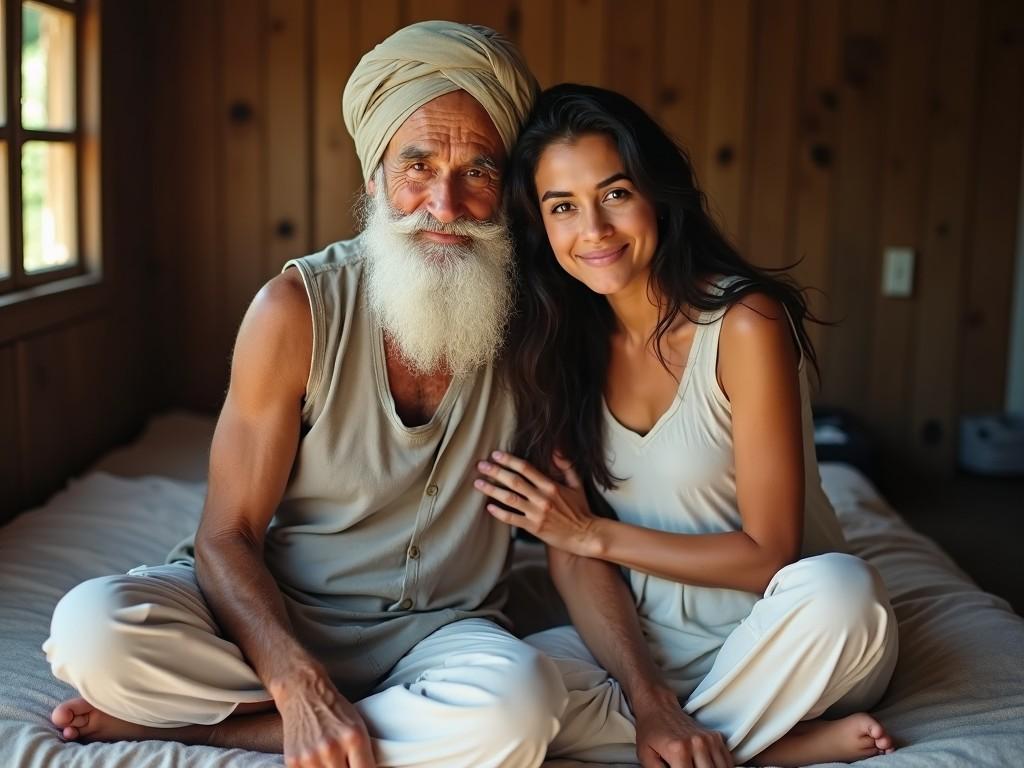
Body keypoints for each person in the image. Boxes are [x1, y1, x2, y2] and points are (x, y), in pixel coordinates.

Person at [43, 21, 567, 768]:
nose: (444, 205)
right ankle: (343, 717)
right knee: (92, 629)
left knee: (524, 707)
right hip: (271, 618)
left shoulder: (541, 323)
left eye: (477, 172)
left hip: (440, 635)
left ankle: (214, 729)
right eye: (416, 164)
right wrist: (294, 678)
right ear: (374, 177)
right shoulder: (295, 311)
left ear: (507, 189)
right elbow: (226, 537)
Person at [473, 84, 900, 768]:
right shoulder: (557, 349)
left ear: (657, 194)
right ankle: (752, 744)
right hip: (650, 647)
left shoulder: (743, 323)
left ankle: (720, 740)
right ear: (541, 228)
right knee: (506, 696)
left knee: (846, 593)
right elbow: (571, 553)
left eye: (615, 193)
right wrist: (648, 699)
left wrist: (590, 531)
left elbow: (770, 551)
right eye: (563, 207)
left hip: (785, 636)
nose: (594, 230)